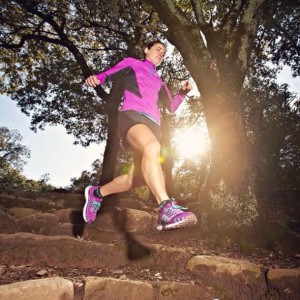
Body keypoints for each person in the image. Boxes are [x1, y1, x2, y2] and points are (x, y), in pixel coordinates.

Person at [83, 40, 197, 231]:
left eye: (163, 52)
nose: (161, 53)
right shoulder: (133, 63)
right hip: (132, 116)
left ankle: (97, 193)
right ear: (146, 50)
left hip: (153, 126)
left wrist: (182, 92)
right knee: (153, 148)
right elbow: (110, 73)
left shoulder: (161, 82)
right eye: (158, 49)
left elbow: (171, 106)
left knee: (135, 179)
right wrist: (97, 78)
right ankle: (166, 208)